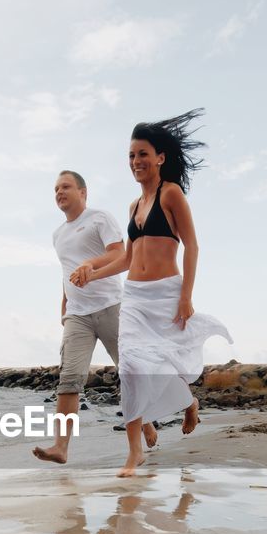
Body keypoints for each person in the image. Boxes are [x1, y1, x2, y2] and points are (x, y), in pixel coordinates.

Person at [70, 109, 232, 477]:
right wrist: (93, 272)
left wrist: (186, 295)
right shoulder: (133, 206)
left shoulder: (171, 193)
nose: (136, 161)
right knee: (130, 367)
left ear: (160, 157)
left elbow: (192, 246)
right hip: (136, 298)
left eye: (142, 153)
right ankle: (134, 452)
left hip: (166, 294)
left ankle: (189, 402)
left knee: (162, 364)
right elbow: (127, 259)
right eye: (131, 155)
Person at [33, 170, 154, 464]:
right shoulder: (57, 235)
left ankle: (147, 422)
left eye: (65, 187)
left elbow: (119, 255)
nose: (59, 192)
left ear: (83, 192)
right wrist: (64, 303)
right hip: (77, 315)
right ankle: (60, 447)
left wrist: (90, 264)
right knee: (69, 378)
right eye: (55, 189)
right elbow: (67, 271)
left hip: (111, 306)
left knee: (130, 373)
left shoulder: (100, 218)